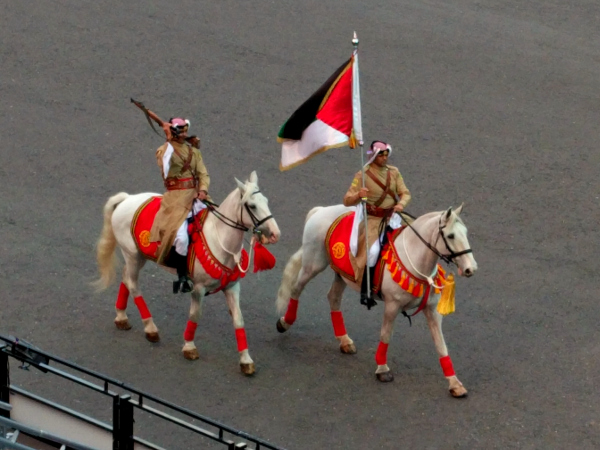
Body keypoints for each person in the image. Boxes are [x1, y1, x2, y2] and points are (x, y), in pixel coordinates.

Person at [343, 140, 411, 307]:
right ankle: (366, 291)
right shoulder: (363, 175)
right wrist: (359, 194)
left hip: (392, 216)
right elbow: (346, 200)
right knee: (373, 252)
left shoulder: (394, 172)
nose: (385, 158)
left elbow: (405, 193)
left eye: (386, 155)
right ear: (374, 156)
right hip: (373, 220)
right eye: (381, 155)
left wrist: (401, 204)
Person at [149, 117, 210, 293]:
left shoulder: (194, 152)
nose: (185, 134)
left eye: (185, 130)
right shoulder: (163, 151)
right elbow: (166, 169)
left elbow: (203, 174)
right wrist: (168, 141)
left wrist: (203, 190)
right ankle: (182, 276)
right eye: (181, 131)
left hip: (195, 195)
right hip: (175, 199)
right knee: (182, 237)